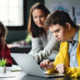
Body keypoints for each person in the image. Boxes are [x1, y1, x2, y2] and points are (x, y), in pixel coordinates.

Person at [40, 10, 80, 77]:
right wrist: (52, 66)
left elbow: (68, 70)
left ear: (67, 26)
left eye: (57, 31)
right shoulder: (64, 41)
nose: (55, 35)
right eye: (52, 32)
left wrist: (68, 71)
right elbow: (60, 61)